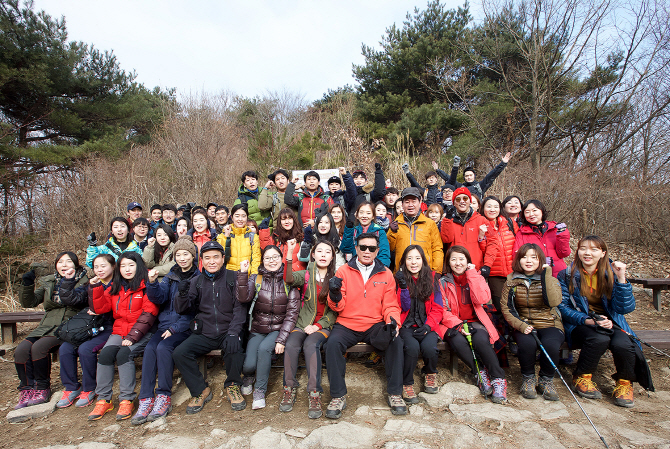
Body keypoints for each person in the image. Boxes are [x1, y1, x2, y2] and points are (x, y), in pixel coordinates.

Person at [325, 233, 406, 418]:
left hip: (374, 324)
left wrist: (392, 322)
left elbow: (391, 305)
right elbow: (338, 306)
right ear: (356, 248)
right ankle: (338, 396)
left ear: (377, 250)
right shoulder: (343, 271)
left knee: (396, 341)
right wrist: (335, 293)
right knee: (332, 344)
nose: (367, 251)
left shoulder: (386, 273)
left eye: (371, 248)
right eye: (363, 247)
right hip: (347, 322)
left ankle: (395, 393)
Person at [557, 236, 644, 408]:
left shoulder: (611, 273)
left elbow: (624, 308)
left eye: (594, 249)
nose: (587, 253)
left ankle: (625, 383)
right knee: (598, 339)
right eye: (583, 248)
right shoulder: (568, 275)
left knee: (624, 343)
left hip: (612, 322)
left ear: (603, 253)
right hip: (581, 323)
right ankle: (582, 376)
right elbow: (563, 307)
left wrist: (621, 279)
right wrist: (587, 320)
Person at [172, 241, 247, 413]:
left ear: (222, 259)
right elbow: (183, 309)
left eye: (215, 257)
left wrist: (234, 332)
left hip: (228, 330)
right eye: (207, 258)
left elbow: (240, 307)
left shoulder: (232, 278)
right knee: (180, 352)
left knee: (234, 348)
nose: (211, 261)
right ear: (202, 261)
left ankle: (233, 385)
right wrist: (182, 294)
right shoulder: (196, 282)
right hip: (205, 331)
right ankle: (200, 390)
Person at [132, 236, 199, 424]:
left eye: (186, 254)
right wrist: (152, 284)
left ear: (193, 256)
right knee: (150, 349)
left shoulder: (197, 278)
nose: (182, 258)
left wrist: (175, 327)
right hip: (164, 327)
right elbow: (159, 298)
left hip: (183, 328)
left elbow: (195, 311)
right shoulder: (171, 275)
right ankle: (145, 398)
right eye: (178, 254)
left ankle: (163, 396)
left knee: (163, 348)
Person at [87, 252, 158, 420]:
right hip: (119, 331)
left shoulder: (147, 285)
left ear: (138, 266)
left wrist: (132, 337)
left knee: (124, 354)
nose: (127, 269)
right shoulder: (115, 287)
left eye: (131, 265)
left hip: (143, 332)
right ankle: (104, 399)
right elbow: (100, 308)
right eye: (123, 266)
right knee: (104, 355)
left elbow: (149, 313)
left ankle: (127, 399)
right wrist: (95, 288)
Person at [15, 252, 89, 409]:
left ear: (76, 264)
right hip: (46, 326)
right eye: (60, 262)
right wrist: (27, 284)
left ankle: (42, 387)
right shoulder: (49, 281)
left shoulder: (84, 280)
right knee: (21, 350)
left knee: (39, 347)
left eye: (68, 262)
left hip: (68, 326)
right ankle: (27, 388)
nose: (64, 265)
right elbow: (29, 302)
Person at [439, 246, 507, 403]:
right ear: (448, 262)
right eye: (453, 259)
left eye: (462, 259)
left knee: (481, 340)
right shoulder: (442, 282)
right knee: (457, 340)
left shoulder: (477, 278)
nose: (458, 263)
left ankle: (498, 378)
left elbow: (482, 299)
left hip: (475, 321)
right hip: (452, 324)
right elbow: (441, 310)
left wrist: (471, 275)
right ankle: (479, 371)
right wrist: (458, 325)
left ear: (468, 261)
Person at [237, 247, 300, 409]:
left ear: (281, 258)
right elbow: (243, 298)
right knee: (249, 365)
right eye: (267, 258)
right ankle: (249, 376)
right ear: (262, 261)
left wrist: (281, 339)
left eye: (275, 257)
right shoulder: (256, 278)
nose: (272, 261)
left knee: (265, 349)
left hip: (278, 328)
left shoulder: (289, 281)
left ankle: (260, 390)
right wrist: (243, 274)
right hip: (258, 328)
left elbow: (292, 315)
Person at [282, 239, 338, 418]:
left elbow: (336, 311)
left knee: (310, 345)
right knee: (291, 345)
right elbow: (289, 279)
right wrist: (289, 254)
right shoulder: (306, 274)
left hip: (324, 325)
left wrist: (318, 326)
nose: (323, 255)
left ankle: (314, 392)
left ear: (332, 257)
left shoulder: (336, 278)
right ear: (312, 255)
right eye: (319, 251)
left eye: (327, 252)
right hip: (302, 322)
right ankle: (289, 388)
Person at [501, 244, 564, 401]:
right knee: (526, 345)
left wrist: (546, 275)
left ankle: (546, 380)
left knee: (551, 345)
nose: (528, 261)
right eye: (524, 257)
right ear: (519, 260)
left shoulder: (551, 279)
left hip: (549, 323)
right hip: (524, 323)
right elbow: (506, 308)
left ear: (540, 260)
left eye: (533, 257)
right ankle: (528, 378)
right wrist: (521, 325)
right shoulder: (511, 280)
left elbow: (554, 301)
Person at [57, 254, 115, 409]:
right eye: (96, 267)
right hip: (90, 326)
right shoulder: (93, 283)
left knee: (85, 349)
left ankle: (90, 388)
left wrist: (100, 308)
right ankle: (71, 387)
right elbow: (72, 299)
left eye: (103, 266)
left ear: (113, 266)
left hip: (110, 327)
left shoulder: (119, 284)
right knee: (65, 348)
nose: (99, 270)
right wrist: (68, 281)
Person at [395, 245, 443, 403]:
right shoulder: (400, 278)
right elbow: (402, 307)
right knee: (412, 348)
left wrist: (429, 326)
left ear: (423, 260)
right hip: (407, 324)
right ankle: (407, 383)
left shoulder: (433, 278)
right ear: (404, 262)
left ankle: (430, 373)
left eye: (417, 258)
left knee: (430, 347)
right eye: (409, 258)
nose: (413, 262)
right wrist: (402, 287)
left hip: (427, 323)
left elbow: (437, 308)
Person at [440, 187, 499, 273]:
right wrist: (447, 219)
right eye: (458, 199)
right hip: (455, 269)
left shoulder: (483, 220)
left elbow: (493, 242)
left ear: (469, 201)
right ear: (454, 203)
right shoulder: (448, 220)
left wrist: (487, 265)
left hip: (475, 268)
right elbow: (446, 239)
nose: (462, 201)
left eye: (465, 198)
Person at [388, 187, 443, 273]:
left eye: (414, 201)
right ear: (402, 204)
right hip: (402, 273)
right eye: (407, 202)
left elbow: (437, 249)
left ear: (420, 202)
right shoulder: (396, 224)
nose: (410, 205)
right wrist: (392, 232)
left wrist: (437, 271)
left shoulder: (429, 224)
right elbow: (389, 249)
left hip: (425, 273)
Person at [479, 196, 518, 314]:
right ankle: (503, 331)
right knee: (501, 307)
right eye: (489, 206)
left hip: (513, 271)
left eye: (496, 206)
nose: (492, 209)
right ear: (483, 208)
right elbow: (483, 251)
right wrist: (481, 236)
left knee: (516, 304)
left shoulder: (509, 223)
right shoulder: (481, 225)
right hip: (494, 273)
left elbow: (518, 243)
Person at [513, 199, 570, 277]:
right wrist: (541, 261)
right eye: (527, 212)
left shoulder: (554, 229)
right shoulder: (522, 233)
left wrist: (562, 235)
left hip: (558, 274)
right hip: (535, 276)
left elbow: (564, 253)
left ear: (542, 211)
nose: (531, 214)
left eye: (534, 210)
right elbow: (517, 257)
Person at [340, 201, 391, 267]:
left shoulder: (379, 231)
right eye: (361, 213)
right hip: (355, 268)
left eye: (368, 213)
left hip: (374, 269)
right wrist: (349, 231)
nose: (364, 216)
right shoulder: (353, 230)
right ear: (357, 215)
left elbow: (384, 254)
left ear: (373, 216)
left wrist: (379, 270)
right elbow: (345, 249)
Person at [217, 204, 261, 274]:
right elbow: (221, 256)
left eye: (243, 216)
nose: (240, 219)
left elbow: (256, 259)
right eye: (237, 216)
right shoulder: (223, 235)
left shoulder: (252, 237)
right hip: (228, 276)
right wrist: (226, 237)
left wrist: (253, 278)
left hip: (247, 276)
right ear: (232, 217)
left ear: (247, 218)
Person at [258, 208, 306, 272]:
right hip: (276, 273)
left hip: (294, 275)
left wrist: (288, 271)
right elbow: (266, 251)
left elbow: (303, 262)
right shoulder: (275, 237)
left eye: (289, 218)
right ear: (280, 222)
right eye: (283, 219)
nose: (287, 222)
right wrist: (264, 231)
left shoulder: (301, 237)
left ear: (294, 220)